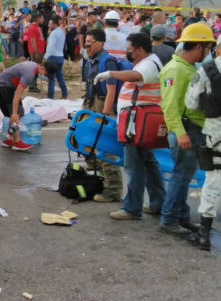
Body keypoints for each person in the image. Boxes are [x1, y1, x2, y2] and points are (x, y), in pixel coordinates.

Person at [95, 32, 166, 221]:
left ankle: (132, 208)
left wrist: (110, 74)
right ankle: (158, 202)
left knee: (134, 167)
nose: (127, 53)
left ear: (140, 50)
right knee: (149, 165)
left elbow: (136, 76)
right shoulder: (147, 61)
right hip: (137, 122)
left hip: (137, 123)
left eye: (129, 50)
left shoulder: (149, 64)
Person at [158, 24, 214, 236]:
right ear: (199, 46)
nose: (208, 52)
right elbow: (169, 105)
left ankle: (181, 216)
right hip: (185, 129)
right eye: (207, 47)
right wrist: (180, 132)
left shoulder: (186, 68)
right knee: (181, 175)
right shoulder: (175, 69)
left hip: (190, 128)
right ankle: (169, 219)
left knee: (184, 174)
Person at [184, 39, 221, 250]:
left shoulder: (208, 69)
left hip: (216, 132)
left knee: (214, 179)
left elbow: (191, 103)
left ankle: (204, 234)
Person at [82, 29, 124, 203]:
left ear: (100, 43)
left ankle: (113, 191)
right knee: (87, 145)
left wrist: (105, 116)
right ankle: (96, 183)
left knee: (106, 148)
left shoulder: (108, 62)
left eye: (89, 44)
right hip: (91, 103)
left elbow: (111, 91)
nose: (87, 47)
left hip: (103, 105)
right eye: (85, 44)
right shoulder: (90, 61)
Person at [0, 61, 39, 151]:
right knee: (17, 113)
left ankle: (8, 139)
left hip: (0, 86)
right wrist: (14, 113)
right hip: (3, 87)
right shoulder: (30, 73)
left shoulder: (32, 66)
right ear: (42, 68)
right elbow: (17, 93)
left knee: (18, 113)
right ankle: (17, 142)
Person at [43, 15, 68, 99]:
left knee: (51, 78)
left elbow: (51, 46)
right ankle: (64, 94)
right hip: (60, 56)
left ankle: (50, 97)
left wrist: (45, 57)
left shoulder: (54, 33)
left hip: (53, 56)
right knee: (60, 76)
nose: (49, 26)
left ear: (54, 24)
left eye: (50, 24)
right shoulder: (61, 31)